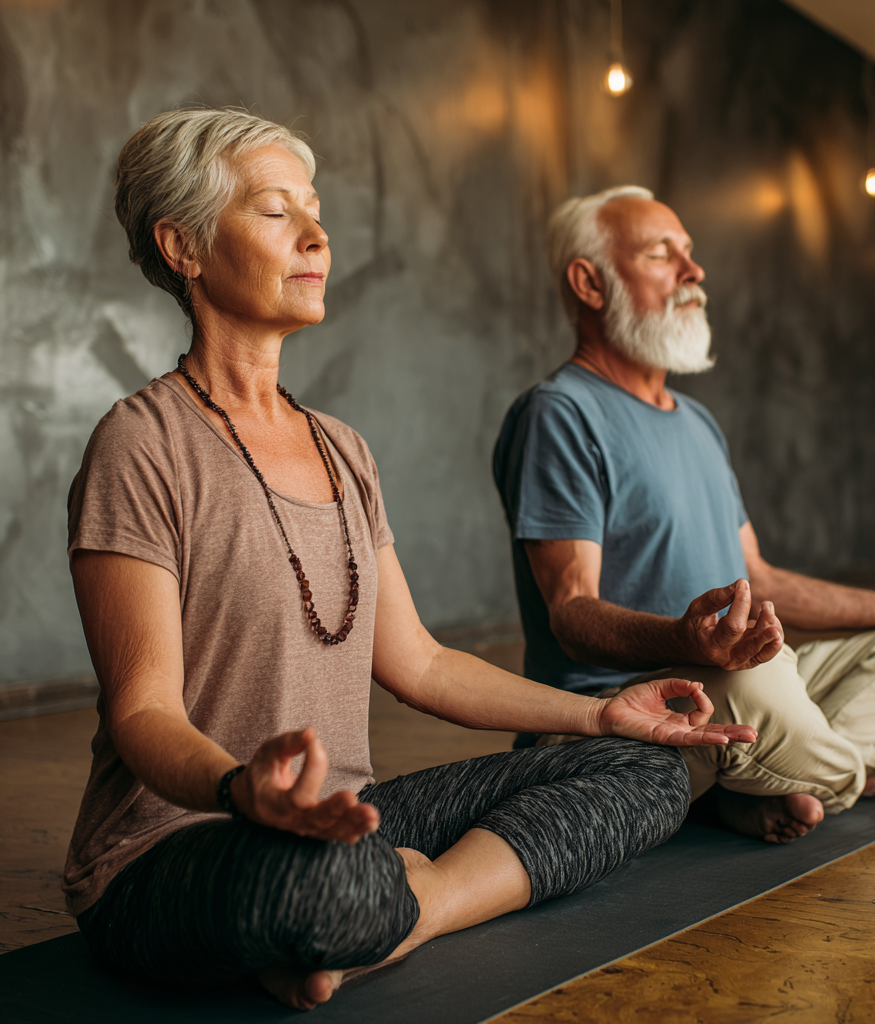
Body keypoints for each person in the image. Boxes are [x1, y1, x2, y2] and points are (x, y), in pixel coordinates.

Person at [63, 116, 758, 1011]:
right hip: (181, 844)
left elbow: (421, 663)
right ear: (183, 245)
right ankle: (360, 909)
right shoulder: (141, 444)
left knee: (647, 771)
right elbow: (142, 711)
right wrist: (245, 792)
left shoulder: (342, 448)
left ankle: (412, 906)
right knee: (320, 882)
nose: (317, 237)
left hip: (350, 819)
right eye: (278, 213)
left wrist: (600, 715)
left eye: (316, 212)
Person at [493, 185, 875, 846]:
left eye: (691, 252)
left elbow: (759, 579)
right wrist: (682, 642)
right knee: (761, 685)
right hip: (625, 712)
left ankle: (751, 784)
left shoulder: (700, 424)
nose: (694, 272)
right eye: (663, 254)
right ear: (588, 283)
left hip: (734, 684)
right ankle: (851, 771)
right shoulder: (559, 414)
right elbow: (570, 611)